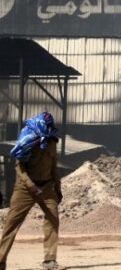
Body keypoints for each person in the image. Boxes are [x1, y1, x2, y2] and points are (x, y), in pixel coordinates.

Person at [0, 111, 64, 270]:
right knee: (11, 224)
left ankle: (50, 260)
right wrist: (31, 186)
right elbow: (19, 167)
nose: (49, 129)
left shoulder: (51, 142)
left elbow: (54, 166)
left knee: (53, 219)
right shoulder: (28, 139)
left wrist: (58, 187)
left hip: (47, 186)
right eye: (47, 126)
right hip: (26, 188)